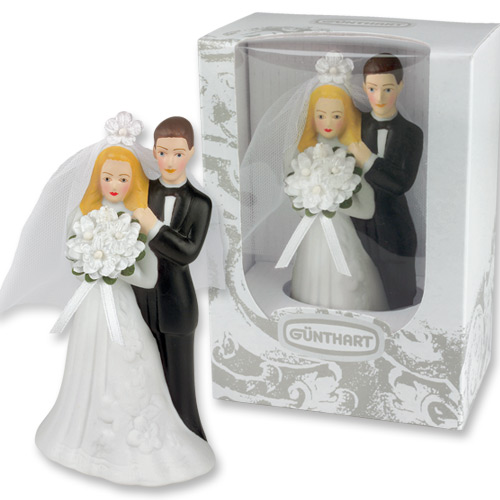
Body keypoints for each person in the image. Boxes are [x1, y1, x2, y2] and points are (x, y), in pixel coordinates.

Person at [0, 113, 215, 486]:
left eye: (123, 178)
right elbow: (70, 254)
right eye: (107, 177)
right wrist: (91, 262)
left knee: (143, 370)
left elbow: (149, 273)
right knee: (88, 363)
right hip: (93, 308)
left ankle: (175, 432)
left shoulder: (139, 216)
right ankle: (83, 430)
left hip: (133, 303)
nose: (115, 185)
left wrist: (118, 266)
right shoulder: (84, 214)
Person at [132, 116, 212, 441]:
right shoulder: (143, 192)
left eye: (178, 153)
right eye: (163, 152)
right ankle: (148, 438)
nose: (169, 161)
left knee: (180, 385)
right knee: (143, 379)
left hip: (178, 306)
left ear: (191, 152)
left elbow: (187, 253)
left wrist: (153, 227)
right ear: (153, 151)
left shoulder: (200, 203)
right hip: (139, 303)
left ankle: (189, 439)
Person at [286, 82, 388, 311]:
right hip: (313, 231)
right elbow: (295, 200)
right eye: (321, 116)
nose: (328, 123)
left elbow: (367, 209)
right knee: (312, 270)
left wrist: (335, 201)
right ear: (311, 117)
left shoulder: (353, 151)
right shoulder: (300, 152)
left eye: (336, 116)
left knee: (348, 277)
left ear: (347, 116)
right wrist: (312, 200)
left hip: (342, 229)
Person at [348, 53, 424, 309]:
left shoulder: (412, 134)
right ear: (364, 87)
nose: (379, 97)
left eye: (388, 89)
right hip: (356, 223)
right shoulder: (354, 125)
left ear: (400, 86)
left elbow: (401, 184)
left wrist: (368, 160)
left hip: (394, 226)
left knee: (398, 292)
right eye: (372, 89)